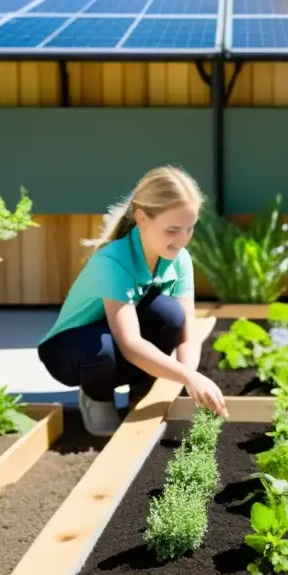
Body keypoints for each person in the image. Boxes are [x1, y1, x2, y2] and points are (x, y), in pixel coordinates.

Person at [37, 165, 228, 436]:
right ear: (141, 218)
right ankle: (96, 397)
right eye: (173, 230)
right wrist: (189, 377)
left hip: (115, 341)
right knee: (102, 350)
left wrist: (188, 383)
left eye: (190, 228)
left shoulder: (179, 259)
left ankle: (141, 395)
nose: (183, 240)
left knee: (170, 315)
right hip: (71, 350)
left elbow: (187, 336)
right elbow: (130, 345)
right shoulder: (113, 261)